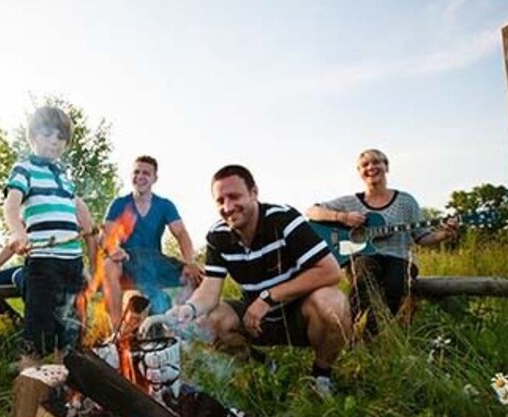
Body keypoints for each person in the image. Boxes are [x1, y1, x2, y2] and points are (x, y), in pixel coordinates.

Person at [163, 164, 350, 396]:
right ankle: (265, 367)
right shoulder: (217, 235)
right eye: (220, 200)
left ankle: (321, 377)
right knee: (209, 319)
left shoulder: (284, 219)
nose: (228, 207)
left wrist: (269, 297)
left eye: (234, 196)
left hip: (298, 315)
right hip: (255, 320)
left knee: (332, 302)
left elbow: (331, 271)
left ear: (254, 193)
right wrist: (188, 309)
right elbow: (210, 290)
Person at [305, 148, 456, 335]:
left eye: (376, 162)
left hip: (399, 257)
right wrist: (342, 217)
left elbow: (422, 237)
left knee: (394, 285)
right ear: (359, 172)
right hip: (363, 256)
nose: (371, 167)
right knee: (365, 273)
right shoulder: (350, 202)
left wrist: (444, 234)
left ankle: (369, 337)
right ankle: (345, 329)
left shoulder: (406, 202)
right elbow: (311, 211)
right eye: (365, 165)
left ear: (386, 167)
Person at [3, 106, 97, 356]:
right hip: (44, 263)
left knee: (71, 331)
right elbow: (11, 204)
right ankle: (32, 381)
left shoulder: (64, 178)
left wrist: (91, 258)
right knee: (39, 331)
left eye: (60, 138)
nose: (53, 142)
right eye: (46, 135)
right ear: (33, 137)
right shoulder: (24, 169)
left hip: (72, 263)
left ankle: (68, 384)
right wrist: (17, 232)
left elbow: (83, 218)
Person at [101, 155, 203, 330]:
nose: (140, 176)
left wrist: (189, 262)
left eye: (146, 173)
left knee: (199, 274)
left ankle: (186, 328)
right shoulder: (119, 204)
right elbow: (106, 237)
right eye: (136, 172)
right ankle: (116, 331)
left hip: (156, 261)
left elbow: (181, 234)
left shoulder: (164, 205)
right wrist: (113, 249)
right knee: (109, 264)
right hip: (127, 259)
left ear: (154, 178)